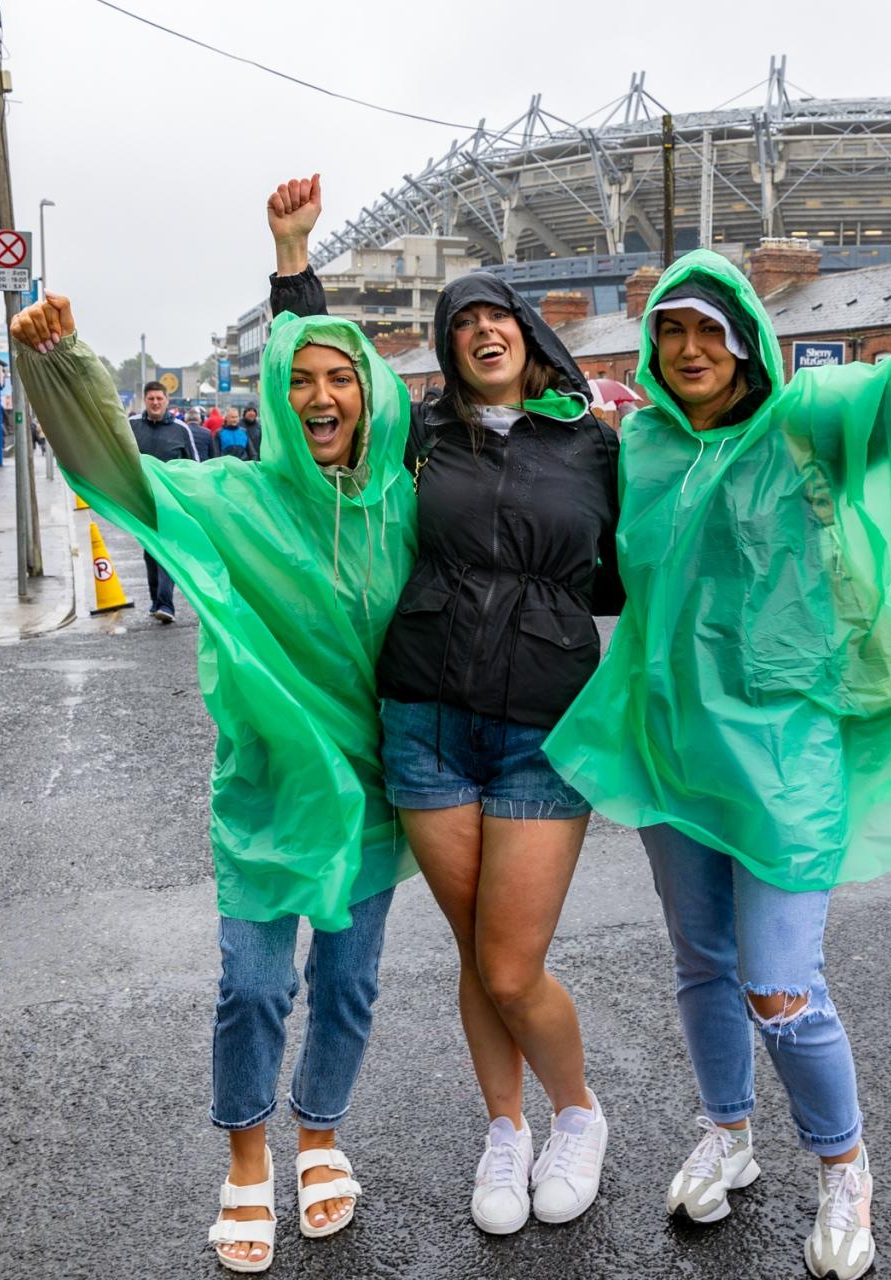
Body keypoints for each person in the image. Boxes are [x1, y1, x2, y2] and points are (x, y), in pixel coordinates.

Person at [544, 152, 891, 1280]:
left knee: (778, 979)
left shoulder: (809, 419)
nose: (688, 351)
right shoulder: (649, 445)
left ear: (747, 341)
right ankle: (728, 1129)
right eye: (672, 332)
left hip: (786, 751)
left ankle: (843, 1163)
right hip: (676, 752)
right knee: (701, 962)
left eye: (709, 330)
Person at [11, 279, 417, 1274]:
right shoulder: (235, 495)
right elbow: (122, 473)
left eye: (341, 378)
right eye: (302, 380)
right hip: (268, 793)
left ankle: (318, 1133)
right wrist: (60, 366)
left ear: (371, 395)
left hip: (373, 796)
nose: (321, 396)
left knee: (351, 985)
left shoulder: (410, 501)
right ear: (276, 397)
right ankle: (247, 1153)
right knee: (251, 985)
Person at [269, 173, 621, 1236]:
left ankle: (577, 1113)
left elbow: (658, 550)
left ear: (528, 333)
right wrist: (293, 262)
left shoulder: (598, 444)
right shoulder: (417, 438)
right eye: (459, 320)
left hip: (542, 730)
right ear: (447, 347)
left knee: (514, 962)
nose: (479, 330)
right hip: (424, 717)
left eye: (495, 314)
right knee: (477, 951)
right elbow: (317, 387)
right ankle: (504, 1127)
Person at [128, 381, 199, 622]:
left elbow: (194, 466)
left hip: (171, 502)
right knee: (150, 552)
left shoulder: (181, 429)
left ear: (167, 401)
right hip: (143, 501)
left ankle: (166, 605)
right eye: (151, 399)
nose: (156, 403)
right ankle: (156, 601)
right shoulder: (132, 426)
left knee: (167, 550)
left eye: (160, 399)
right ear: (145, 401)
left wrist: (193, 500)